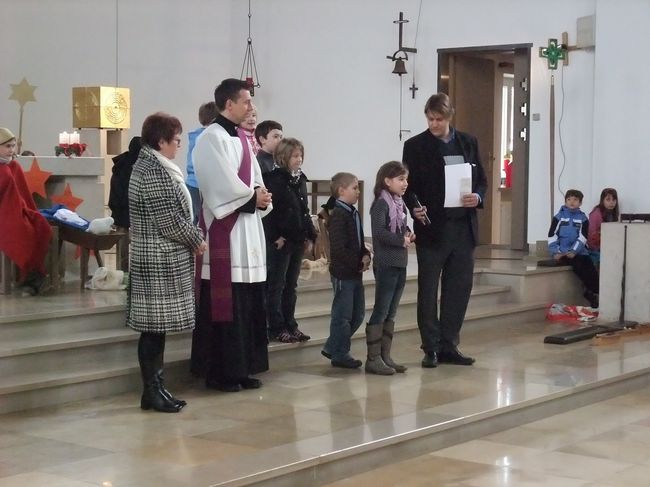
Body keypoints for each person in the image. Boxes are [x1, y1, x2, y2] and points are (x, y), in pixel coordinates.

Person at [192, 78, 272, 392]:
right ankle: (219, 372)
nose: (252, 108)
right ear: (229, 104)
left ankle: (241, 368)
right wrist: (253, 198)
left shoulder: (241, 138)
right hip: (226, 231)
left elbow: (255, 179)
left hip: (246, 232)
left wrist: (262, 196)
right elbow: (218, 184)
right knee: (225, 308)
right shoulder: (210, 138)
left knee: (247, 305)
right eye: (247, 101)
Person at [126, 112, 206, 413]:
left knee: (155, 330)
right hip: (157, 259)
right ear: (160, 141)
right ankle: (152, 391)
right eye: (175, 141)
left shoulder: (154, 166)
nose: (178, 147)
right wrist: (197, 239)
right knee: (152, 329)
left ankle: (157, 388)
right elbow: (169, 221)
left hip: (160, 257)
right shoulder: (152, 171)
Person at [402, 93, 487, 368]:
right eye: (430, 119)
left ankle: (450, 344)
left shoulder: (468, 142)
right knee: (428, 289)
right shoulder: (415, 146)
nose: (434, 124)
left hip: (463, 226)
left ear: (450, 117)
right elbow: (407, 186)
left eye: (439, 119)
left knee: (458, 288)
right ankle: (431, 347)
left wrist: (477, 196)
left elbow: (482, 181)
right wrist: (413, 207)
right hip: (432, 227)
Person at [263, 137, 317, 343]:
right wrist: (275, 236)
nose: (299, 159)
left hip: (297, 238)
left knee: (291, 285)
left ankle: (290, 323)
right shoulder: (274, 179)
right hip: (282, 240)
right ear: (284, 157)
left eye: (301, 155)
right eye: (295, 156)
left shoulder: (300, 178)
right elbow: (268, 212)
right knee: (277, 284)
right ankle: (275, 326)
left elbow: (303, 209)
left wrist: (310, 234)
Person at [365, 161, 414, 375]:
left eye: (406, 179)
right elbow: (379, 233)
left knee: (392, 311)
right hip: (386, 262)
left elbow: (403, 225)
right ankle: (373, 359)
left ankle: (385, 356)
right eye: (400, 179)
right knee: (382, 309)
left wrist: (409, 233)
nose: (405, 183)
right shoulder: (381, 204)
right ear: (387, 181)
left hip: (400, 262)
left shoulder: (399, 203)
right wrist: (399, 240)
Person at [321, 172, 371, 369]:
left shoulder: (352, 212)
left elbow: (359, 241)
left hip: (355, 272)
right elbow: (339, 249)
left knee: (358, 314)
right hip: (343, 272)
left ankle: (332, 346)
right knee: (342, 316)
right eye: (354, 188)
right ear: (341, 190)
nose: (358, 192)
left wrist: (366, 254)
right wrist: (358, 262)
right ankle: (341, 354)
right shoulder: (338, 215)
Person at [0, 127, 52, 295]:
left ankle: (33, 277)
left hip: (14, 211)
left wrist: (26, 212)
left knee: (35, 228)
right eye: (7, 146)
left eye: (13, 146)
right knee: (19, 230)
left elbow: (21, 195)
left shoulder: (13, 166)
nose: (11, 150)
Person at [548, 189, 600, 308]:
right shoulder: (558, 217)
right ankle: (590, 292)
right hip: (562, 253)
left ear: (580, 203)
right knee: (578, 266)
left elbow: (583, 236)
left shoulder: (583, 218)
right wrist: (556, 251)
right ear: (565, 201)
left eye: (575, 200)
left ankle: (593, 292)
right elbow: (552, 235)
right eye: (569, 199)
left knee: (589, 267)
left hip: (579, 252)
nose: (572, 202)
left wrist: (574, 251)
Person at [186, 102, 219, 224]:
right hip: (202, 183)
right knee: (203, 218)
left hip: (191, 181)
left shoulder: (194, 135)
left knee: (194, 216)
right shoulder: (209, 136)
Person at [588, 187, 619, 267]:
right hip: (596, 248)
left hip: (608, 247)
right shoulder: (596, 213)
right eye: (608, 200)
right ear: (602, 200)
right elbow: (591, 236)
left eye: (614, 200)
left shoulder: (613, 214)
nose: (611, 203)